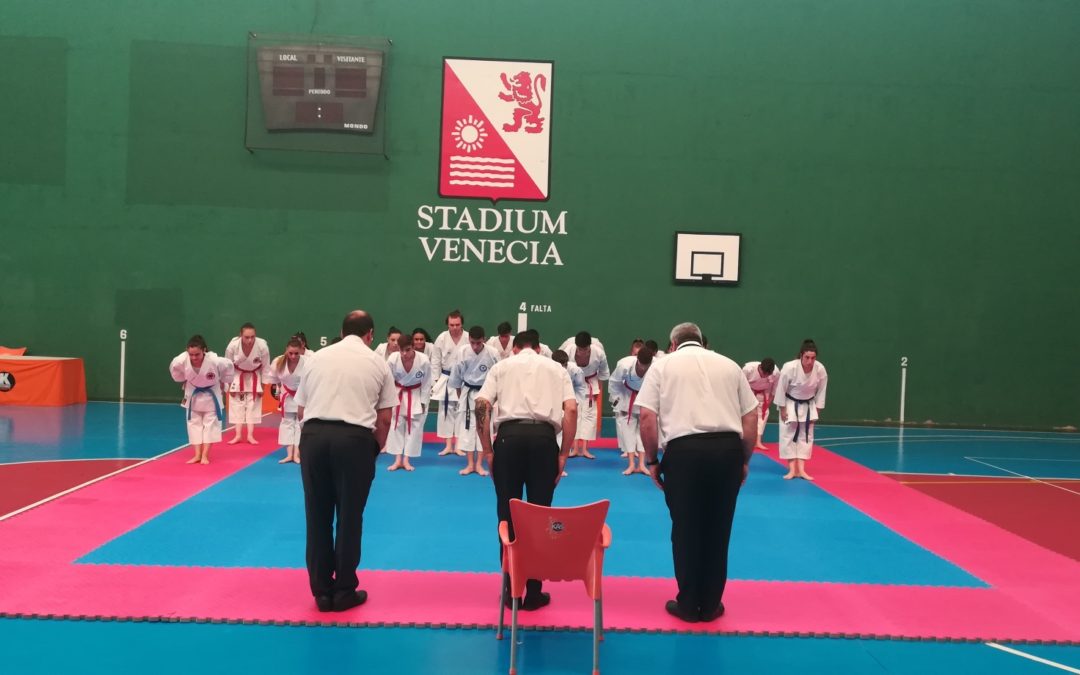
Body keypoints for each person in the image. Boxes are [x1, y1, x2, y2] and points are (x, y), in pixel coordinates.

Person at [638, 322, 758, 624]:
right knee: (719, 529)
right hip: (727, 450)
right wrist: (743, 459)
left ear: (673, 343)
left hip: (684, 453)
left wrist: (652, 461)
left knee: (686, 529)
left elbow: (647, 418)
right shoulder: (729, 366)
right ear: (702, 342)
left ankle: (689, 604)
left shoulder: (663, 366)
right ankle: (712, 603)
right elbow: (751, 416)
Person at [294, 310, 397, 613]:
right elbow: (386, 418)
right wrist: (373, 451)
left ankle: (321, 592)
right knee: (350, 517)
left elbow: (301, 411)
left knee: (317, 516)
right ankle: (344, 591)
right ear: (370, 335)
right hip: (354, 441)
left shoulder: (316, 359)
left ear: (341, 331)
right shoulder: (377, 362)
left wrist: (312, 441)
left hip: (313, 436)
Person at [475, 331, 578, 611]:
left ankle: (512, 591)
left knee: (507, 516)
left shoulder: (502, 366)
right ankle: (533, 592)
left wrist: (488, 451)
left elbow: (481, 405)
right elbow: (570, 410)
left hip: (508, 439)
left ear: (516, 348)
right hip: (544, 441)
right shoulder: (556, 368)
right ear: (538, 347)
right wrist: (563, 453)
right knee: (539, 517)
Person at [169, 335, 234, 464]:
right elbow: (176, 373)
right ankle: (197, 455)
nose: (193, 358)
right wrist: (184, 379)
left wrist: (224, 381)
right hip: (193, 393)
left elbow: (229, 367)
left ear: (204, 350)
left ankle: (205, 455)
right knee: (194, 425)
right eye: (191, 354)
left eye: (197, 355)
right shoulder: (180, 361)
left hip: (211, 395)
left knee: (210, 426)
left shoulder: (215, 360)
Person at [450, 326, 500, 476]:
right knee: (468, 430)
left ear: (484, 339)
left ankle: (479, 464)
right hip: (468, 392)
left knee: (483, 429)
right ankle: (470, 464)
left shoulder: (493, 353)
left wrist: (494, 398)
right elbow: (456, 377)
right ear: (469, 340)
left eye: (478, 343)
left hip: (485, 393)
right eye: (472, 342)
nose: (475, 346)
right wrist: (461, 397)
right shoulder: (463, 352)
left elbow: (499, 375)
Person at [775, 340, 828, 481]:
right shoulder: (789, 367)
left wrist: (817, 410)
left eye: (813, 358)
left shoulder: (820, 369)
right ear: (801, 355)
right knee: (788, 435)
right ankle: (792, 470)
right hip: (790, 403)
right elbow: (781, 389)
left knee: (806, 436)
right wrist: (782, 409)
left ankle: (802, 470)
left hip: (809, 405)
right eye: (807, 357)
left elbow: (822, 391)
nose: (810, 361)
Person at [385, 333, 432, 472]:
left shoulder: (423, 360)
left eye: (407, 350)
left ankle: (406, 459)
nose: (404, 353)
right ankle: (397, 459)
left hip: (416, 394)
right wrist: (388, 401)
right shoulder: (393, 359)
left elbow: (427, 383)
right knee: (396, 425)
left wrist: (424, 402)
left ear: (413, 347)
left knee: (415, 427)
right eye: (401, 350)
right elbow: (388, 382)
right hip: (398, 393)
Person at [608, 346, 656, 475]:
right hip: (626, 394)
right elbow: (614, 382)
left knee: (644, 430)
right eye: (642, 365)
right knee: (627, 429)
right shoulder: (625, 365)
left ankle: (641, 464)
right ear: (637, 359)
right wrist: (616, 399)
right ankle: (631, 464)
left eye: (647, 365)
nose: (644, 368)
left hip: (646, 396)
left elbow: (660, 384)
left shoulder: (656, 366)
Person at [224, 323, 270, 445]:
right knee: (236, 405)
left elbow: (266, 367)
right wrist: (227, 383)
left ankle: (250, 435)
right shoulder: (232, 346)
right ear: (241, 335)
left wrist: (264, 385)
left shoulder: (262, 346)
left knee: (253, 405)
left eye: (252, 337)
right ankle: (238, 435)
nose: (250, 340)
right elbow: (227, 365)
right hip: (237, 375)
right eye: (246, 337)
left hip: (254, 377)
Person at [430, 310, 468, 456]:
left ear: (462, 324)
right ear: (448, 324)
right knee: (445, 411)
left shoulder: (467, 337)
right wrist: (435, 380)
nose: (454, 327)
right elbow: (435, 360)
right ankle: (447, 445)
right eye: (451, 324)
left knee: (461, 412)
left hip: (463, 379)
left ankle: (459, 445)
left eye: (457, 324)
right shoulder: (442, 338)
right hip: (446, 377)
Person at [567, 331, 609, 459]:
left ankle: (585, 448)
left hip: (591, 385)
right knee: (575, 415)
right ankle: (574, 448)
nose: (581, 352)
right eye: (579, 349)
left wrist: (598, 391)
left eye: (584, 349)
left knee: (589, 416)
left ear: (589, 346)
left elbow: (603, 372)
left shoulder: (599, 353)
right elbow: (561, 368)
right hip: (573, 384)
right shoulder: (569, 350)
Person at [268, 337, 309, 464]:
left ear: (301, 350)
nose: (293, 356)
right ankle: (289, 454)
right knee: (287, 423)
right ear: (286, 350)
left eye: (296, 353)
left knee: (299, 424)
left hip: (302, 396)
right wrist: (279, 390)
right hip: (286, 395)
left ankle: (297, 454)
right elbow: (274, 379)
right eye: (290, 353)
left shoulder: (308, 361)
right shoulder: (278, 362)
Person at [742, 358, 779, 452]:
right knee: (745, 415)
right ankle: (743, 439)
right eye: (764, 373)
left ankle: (758, 441)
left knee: (763, 414)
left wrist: (768, 403)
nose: (765, 376)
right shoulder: (748, 369)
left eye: (768, 374)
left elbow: (774, 390)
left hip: (763, 393)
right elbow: (740, 385)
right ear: (760, 367)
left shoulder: (776, 373)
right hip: (748, 391)